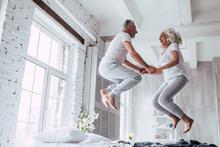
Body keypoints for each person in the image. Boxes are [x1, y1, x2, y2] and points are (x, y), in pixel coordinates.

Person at [142, 28, 193, 133]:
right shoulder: (162, 54)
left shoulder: (173, 46)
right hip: (168, 79)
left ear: (169, 38)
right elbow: (160, 71)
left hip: (179, 76)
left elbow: (175, 60)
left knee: (163, 99)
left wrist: (159, 68)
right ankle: (175, 117)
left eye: (162, 36)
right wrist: (148, 71)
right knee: (154, 102)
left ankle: (187, 119)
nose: (159, 38)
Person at [98, 19, 155, 110]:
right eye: (135, 28)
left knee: (124, 81)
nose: (136, 32)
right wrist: (147, 67)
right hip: (109, 66)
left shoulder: (119, 37)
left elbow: (125, 61)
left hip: (105, 68)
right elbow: (133, 53)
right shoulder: (125, 35)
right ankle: (112, 94)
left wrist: (138, 69)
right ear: (129, 27)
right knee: (136, 77)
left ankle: (107, 90)